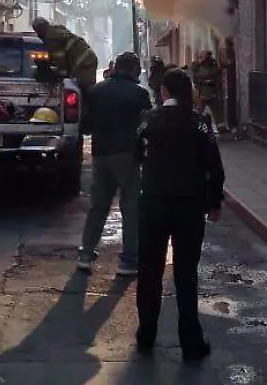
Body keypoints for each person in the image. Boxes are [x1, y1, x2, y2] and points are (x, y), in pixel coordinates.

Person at [134, 68, 225, 362]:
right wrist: (215, 202)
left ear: (163, 92)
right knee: (186, 274)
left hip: (153, 204)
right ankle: (191, 342)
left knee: (150, 271)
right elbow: (214, 166)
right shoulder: (200, 123)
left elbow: (136, 154)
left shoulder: (148, 119)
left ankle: (146, 334)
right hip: (189, 207)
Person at [76, 52, 151, 277]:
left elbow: (85, 126)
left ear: (116, 67)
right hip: (128, 156)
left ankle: (86, 255)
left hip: (101, 154)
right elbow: (147, 126)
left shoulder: (96, 92)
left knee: (98, 207)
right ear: (134, 70)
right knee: (131, 209)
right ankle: (128, 261)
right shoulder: (139, 93)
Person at [31, 17, 99, 90]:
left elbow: (60, 60)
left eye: (37, 30)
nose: (37, 33)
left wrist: (60, 75)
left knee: (82, 89)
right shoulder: (55, 31)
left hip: (84, 61)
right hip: (87, 58)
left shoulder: (51, 38)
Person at [190, 49, 222, 124]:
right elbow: (195, 79)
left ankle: (220, 125)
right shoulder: (197, 66)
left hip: (212, 93)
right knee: (198, 111)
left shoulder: (213, 65)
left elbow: (216, 75)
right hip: (201, 93)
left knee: (217, 112)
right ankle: (195, 125)